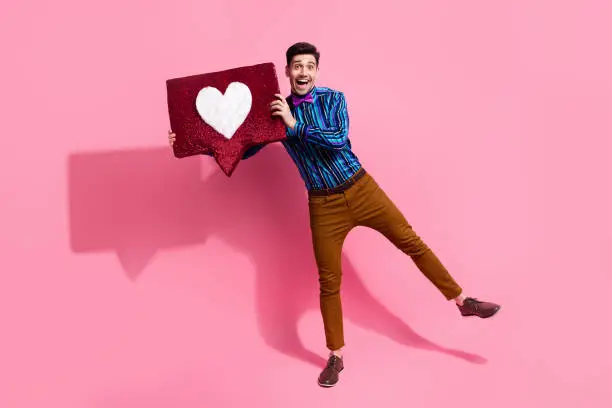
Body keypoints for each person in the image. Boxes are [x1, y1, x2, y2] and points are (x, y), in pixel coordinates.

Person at [168, 42, 501, 388]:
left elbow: (338, 139)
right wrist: (193, 141)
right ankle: (336, 357)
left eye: (309, 66)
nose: (303, 72)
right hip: (323, 205)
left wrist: (294, 125)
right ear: (286, 71)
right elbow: (243, 149)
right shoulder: (275, 110)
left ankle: (462, 301)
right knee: (329, 282)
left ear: (316, 71)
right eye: (296, 66)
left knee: (411, 242)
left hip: (361, 189)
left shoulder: (333, 100)